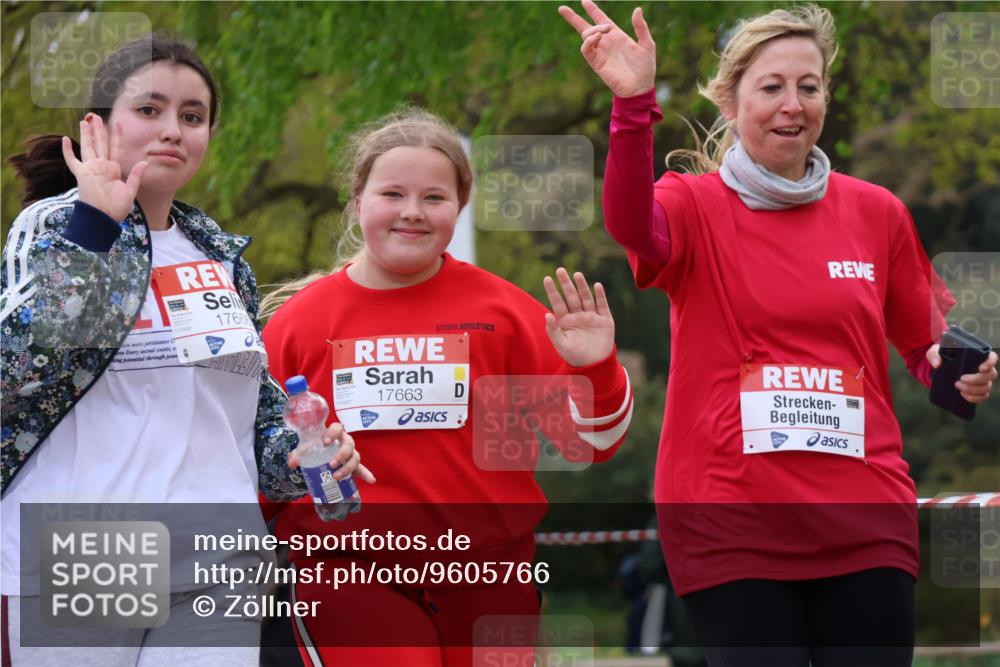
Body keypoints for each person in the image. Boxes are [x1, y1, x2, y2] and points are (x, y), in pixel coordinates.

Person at [559, 2, 998, 665]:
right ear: (731, 103)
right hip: (731, 521)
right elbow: (628, 223)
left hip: (865, 519)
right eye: (771, 87)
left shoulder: (876, 212)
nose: (793, 104)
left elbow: (922, 346)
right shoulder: (692, 203)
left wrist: (956, 371)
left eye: (808, 86)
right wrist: (632, 106)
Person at [0, 35, 369, 666]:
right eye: (149, 110)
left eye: (192, 116)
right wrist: (95, 228)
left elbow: (248, 415)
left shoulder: (219, 255)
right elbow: (16, 366)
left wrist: (308, 453)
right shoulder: (55, 228)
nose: (173, 130)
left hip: (222, 554)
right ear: (97, 127)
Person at [261, 108, 635, 667]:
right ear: (358, 202)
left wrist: (597, 369)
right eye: (392, 194)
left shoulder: (505, 312)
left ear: (459, 207)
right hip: (348, 571)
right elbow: (253, 465)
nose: (412, 211)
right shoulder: (298, 324)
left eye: (434, 197)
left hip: (491, 572)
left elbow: (594, 444)